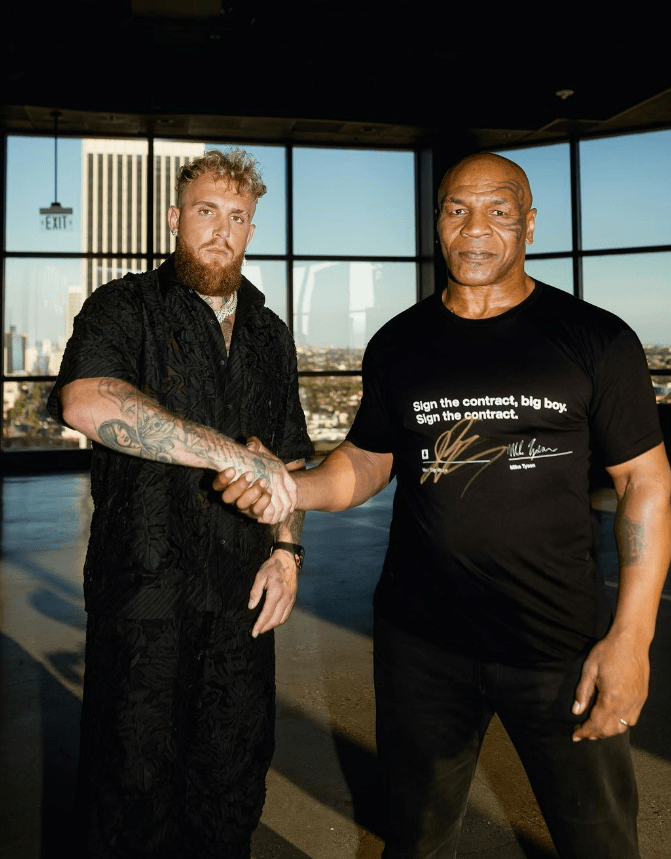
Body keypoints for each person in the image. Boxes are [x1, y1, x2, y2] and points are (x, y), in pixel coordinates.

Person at [217, 152, 671, 859]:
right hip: (420, 641)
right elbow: (366, 461)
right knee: (416, 840)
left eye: (497, 208)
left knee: (599, 841)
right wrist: (290, 486)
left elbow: (645, 482)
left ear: (528, 222)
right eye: (457, 208)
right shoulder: (400, 342)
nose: (476, 227)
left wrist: (631, 638)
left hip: (555, 642)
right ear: (437, 222)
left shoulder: (594, 339)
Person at [47, 148, 312, 859]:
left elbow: (286, 455)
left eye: (237, 218)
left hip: (241, 599)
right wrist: (227, 452)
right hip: (142, 596)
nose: (221, 232)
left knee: (230, 789)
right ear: (174, 219)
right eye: (205, 213)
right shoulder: (123, 306)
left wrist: (286, 551)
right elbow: (86, 399)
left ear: (251, 229)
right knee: (128, 792)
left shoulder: (269, 332)